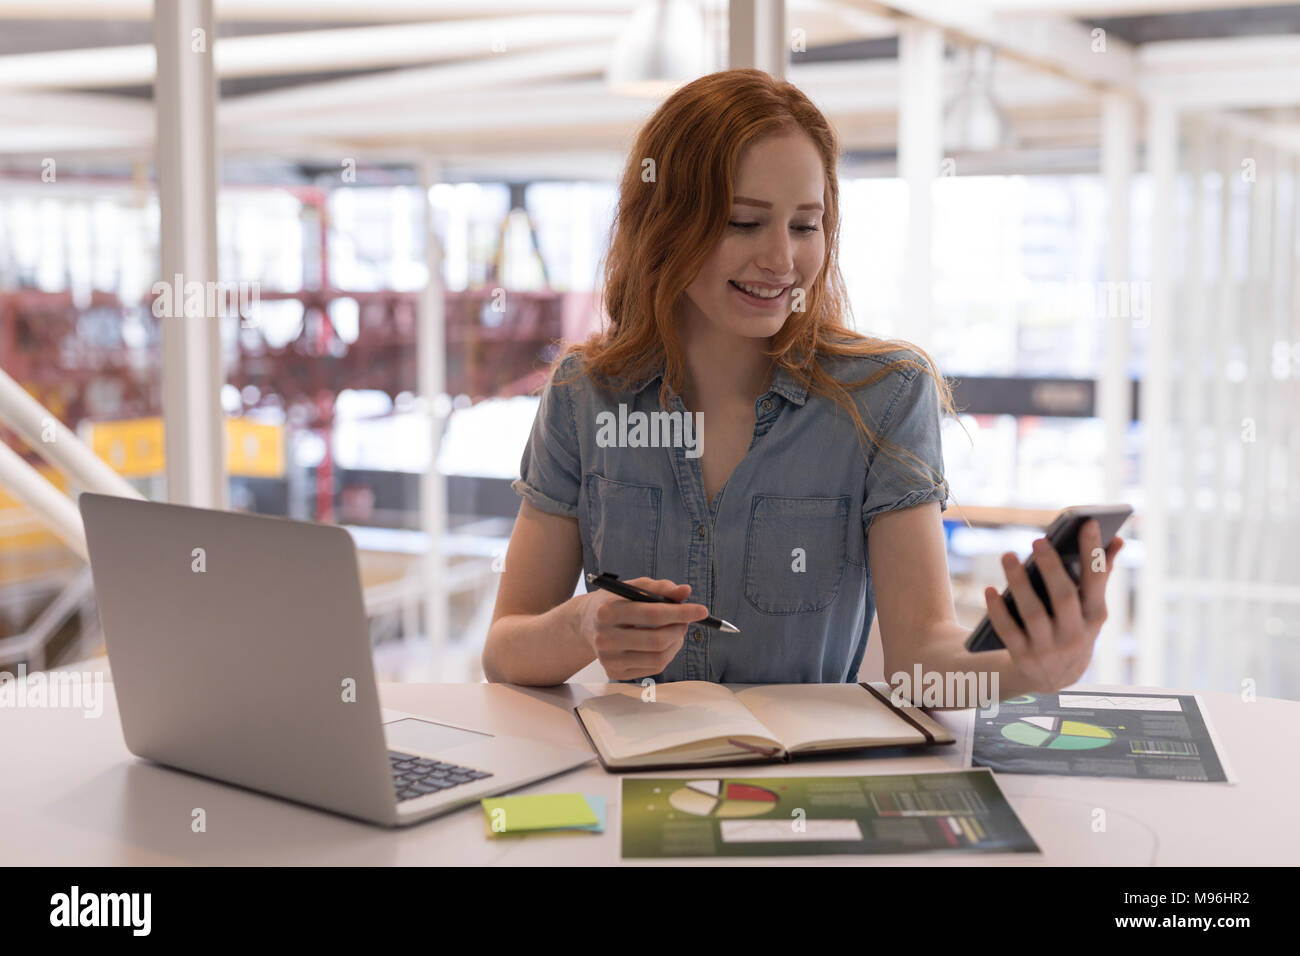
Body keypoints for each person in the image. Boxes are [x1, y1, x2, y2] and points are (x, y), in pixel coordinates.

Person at [482, 69, 1122, 700]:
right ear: (665, 223)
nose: (782, 261)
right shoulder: (584, 394)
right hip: (630, 785)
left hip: (809, 790)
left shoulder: (888, 395)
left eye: (804, 225)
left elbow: (922, 659)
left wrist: (1036, 669)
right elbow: (505, 652)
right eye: (743, 222)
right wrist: (583, 623)